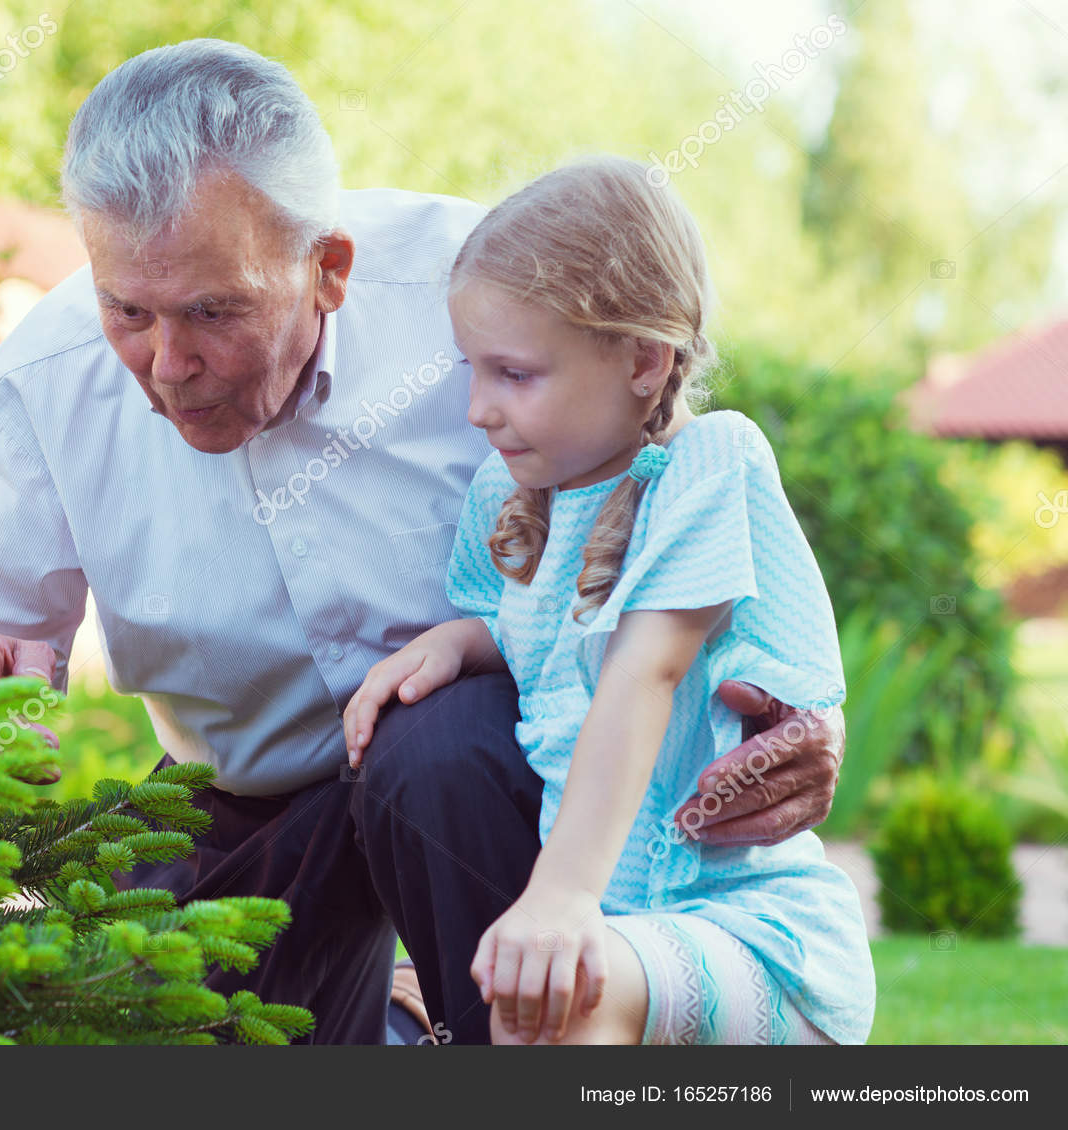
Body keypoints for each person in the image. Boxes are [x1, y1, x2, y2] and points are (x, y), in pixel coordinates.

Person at [0, 38, 849, 1045]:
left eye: (213, 311)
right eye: (126, 309)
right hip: (248, 798)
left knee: (430, 751)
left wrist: (802, 709)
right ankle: (399, 1018)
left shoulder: (498, 297)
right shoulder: (42, 384)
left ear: (329, 270)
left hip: (493, 764)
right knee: (149, 1026)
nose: (167, 363)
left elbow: (673, 472)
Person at [344, 157, 875, 1045]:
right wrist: (461, 641)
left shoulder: (706, 468)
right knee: (538, 1002)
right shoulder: (508, 500)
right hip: (621, 930)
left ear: (642, 359)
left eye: (513, 374)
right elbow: (538, 632)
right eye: (472, 370)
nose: (478, 407)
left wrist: (559, 893)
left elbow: (644, 670)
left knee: (563, 993)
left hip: (748, 934)